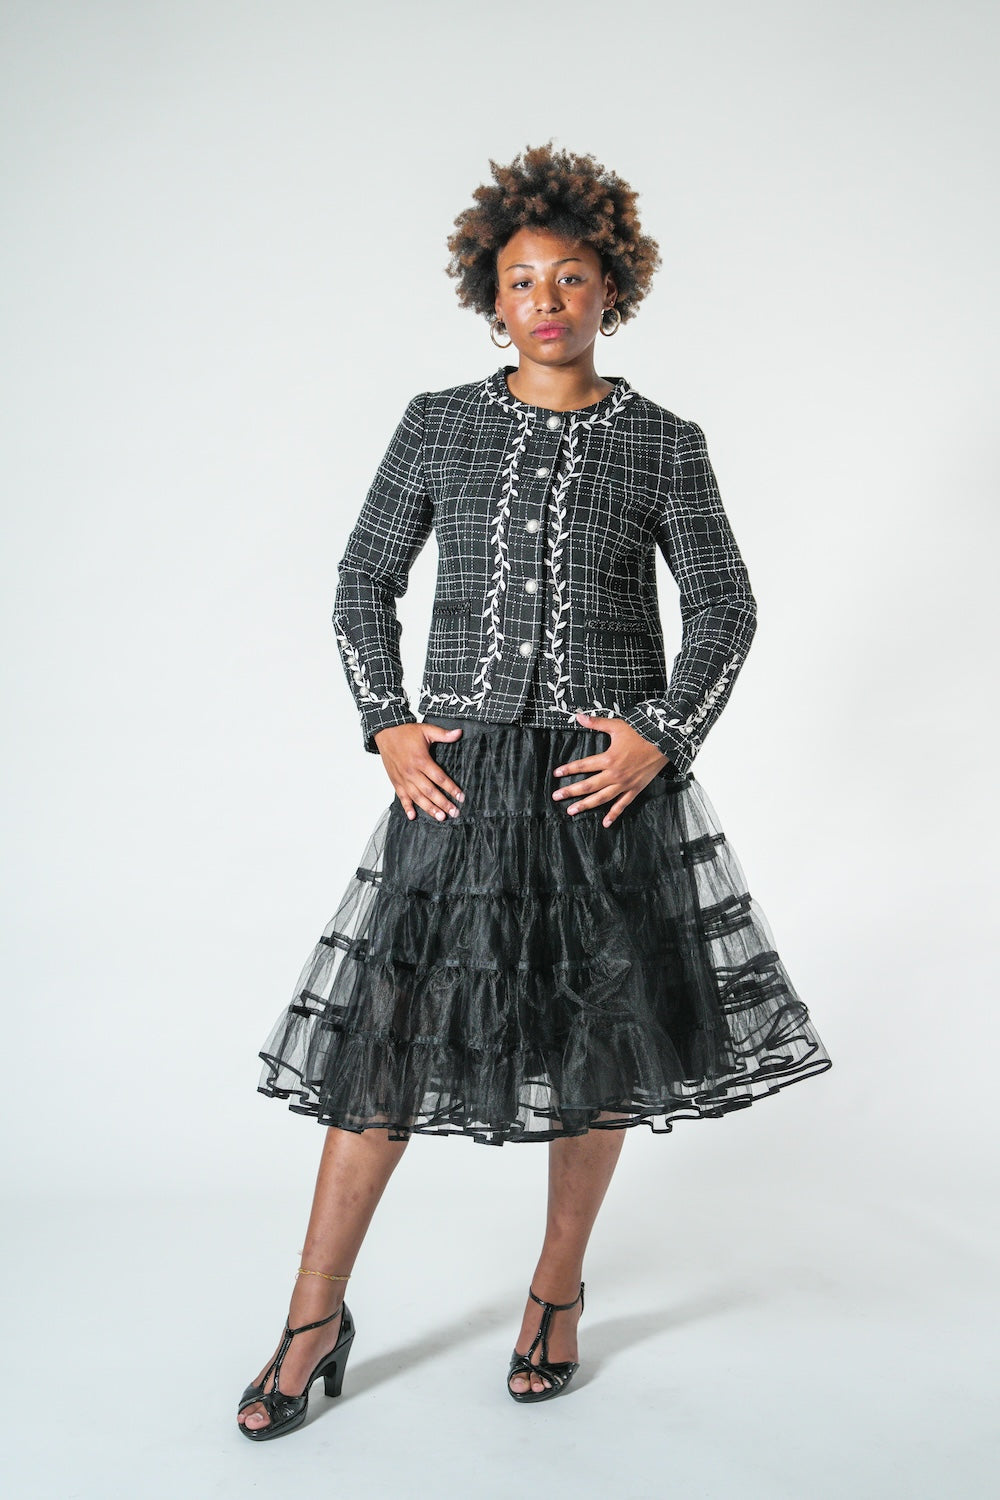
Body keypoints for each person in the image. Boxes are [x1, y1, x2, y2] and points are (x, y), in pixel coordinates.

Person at [237, 141, 833, 1439]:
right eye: (521, 281)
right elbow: (362, 582)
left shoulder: (665, 443)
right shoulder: (437, 424)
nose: (546, 300)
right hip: (458, 790)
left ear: (611, 286)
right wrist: (387, 725)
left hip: (600, 790)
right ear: (490, 297)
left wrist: (662, 735)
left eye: (569, 276)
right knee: (385, 1045)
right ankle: (313, 1317)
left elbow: (725, 608)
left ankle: (555, 1294)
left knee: (597, 1043)